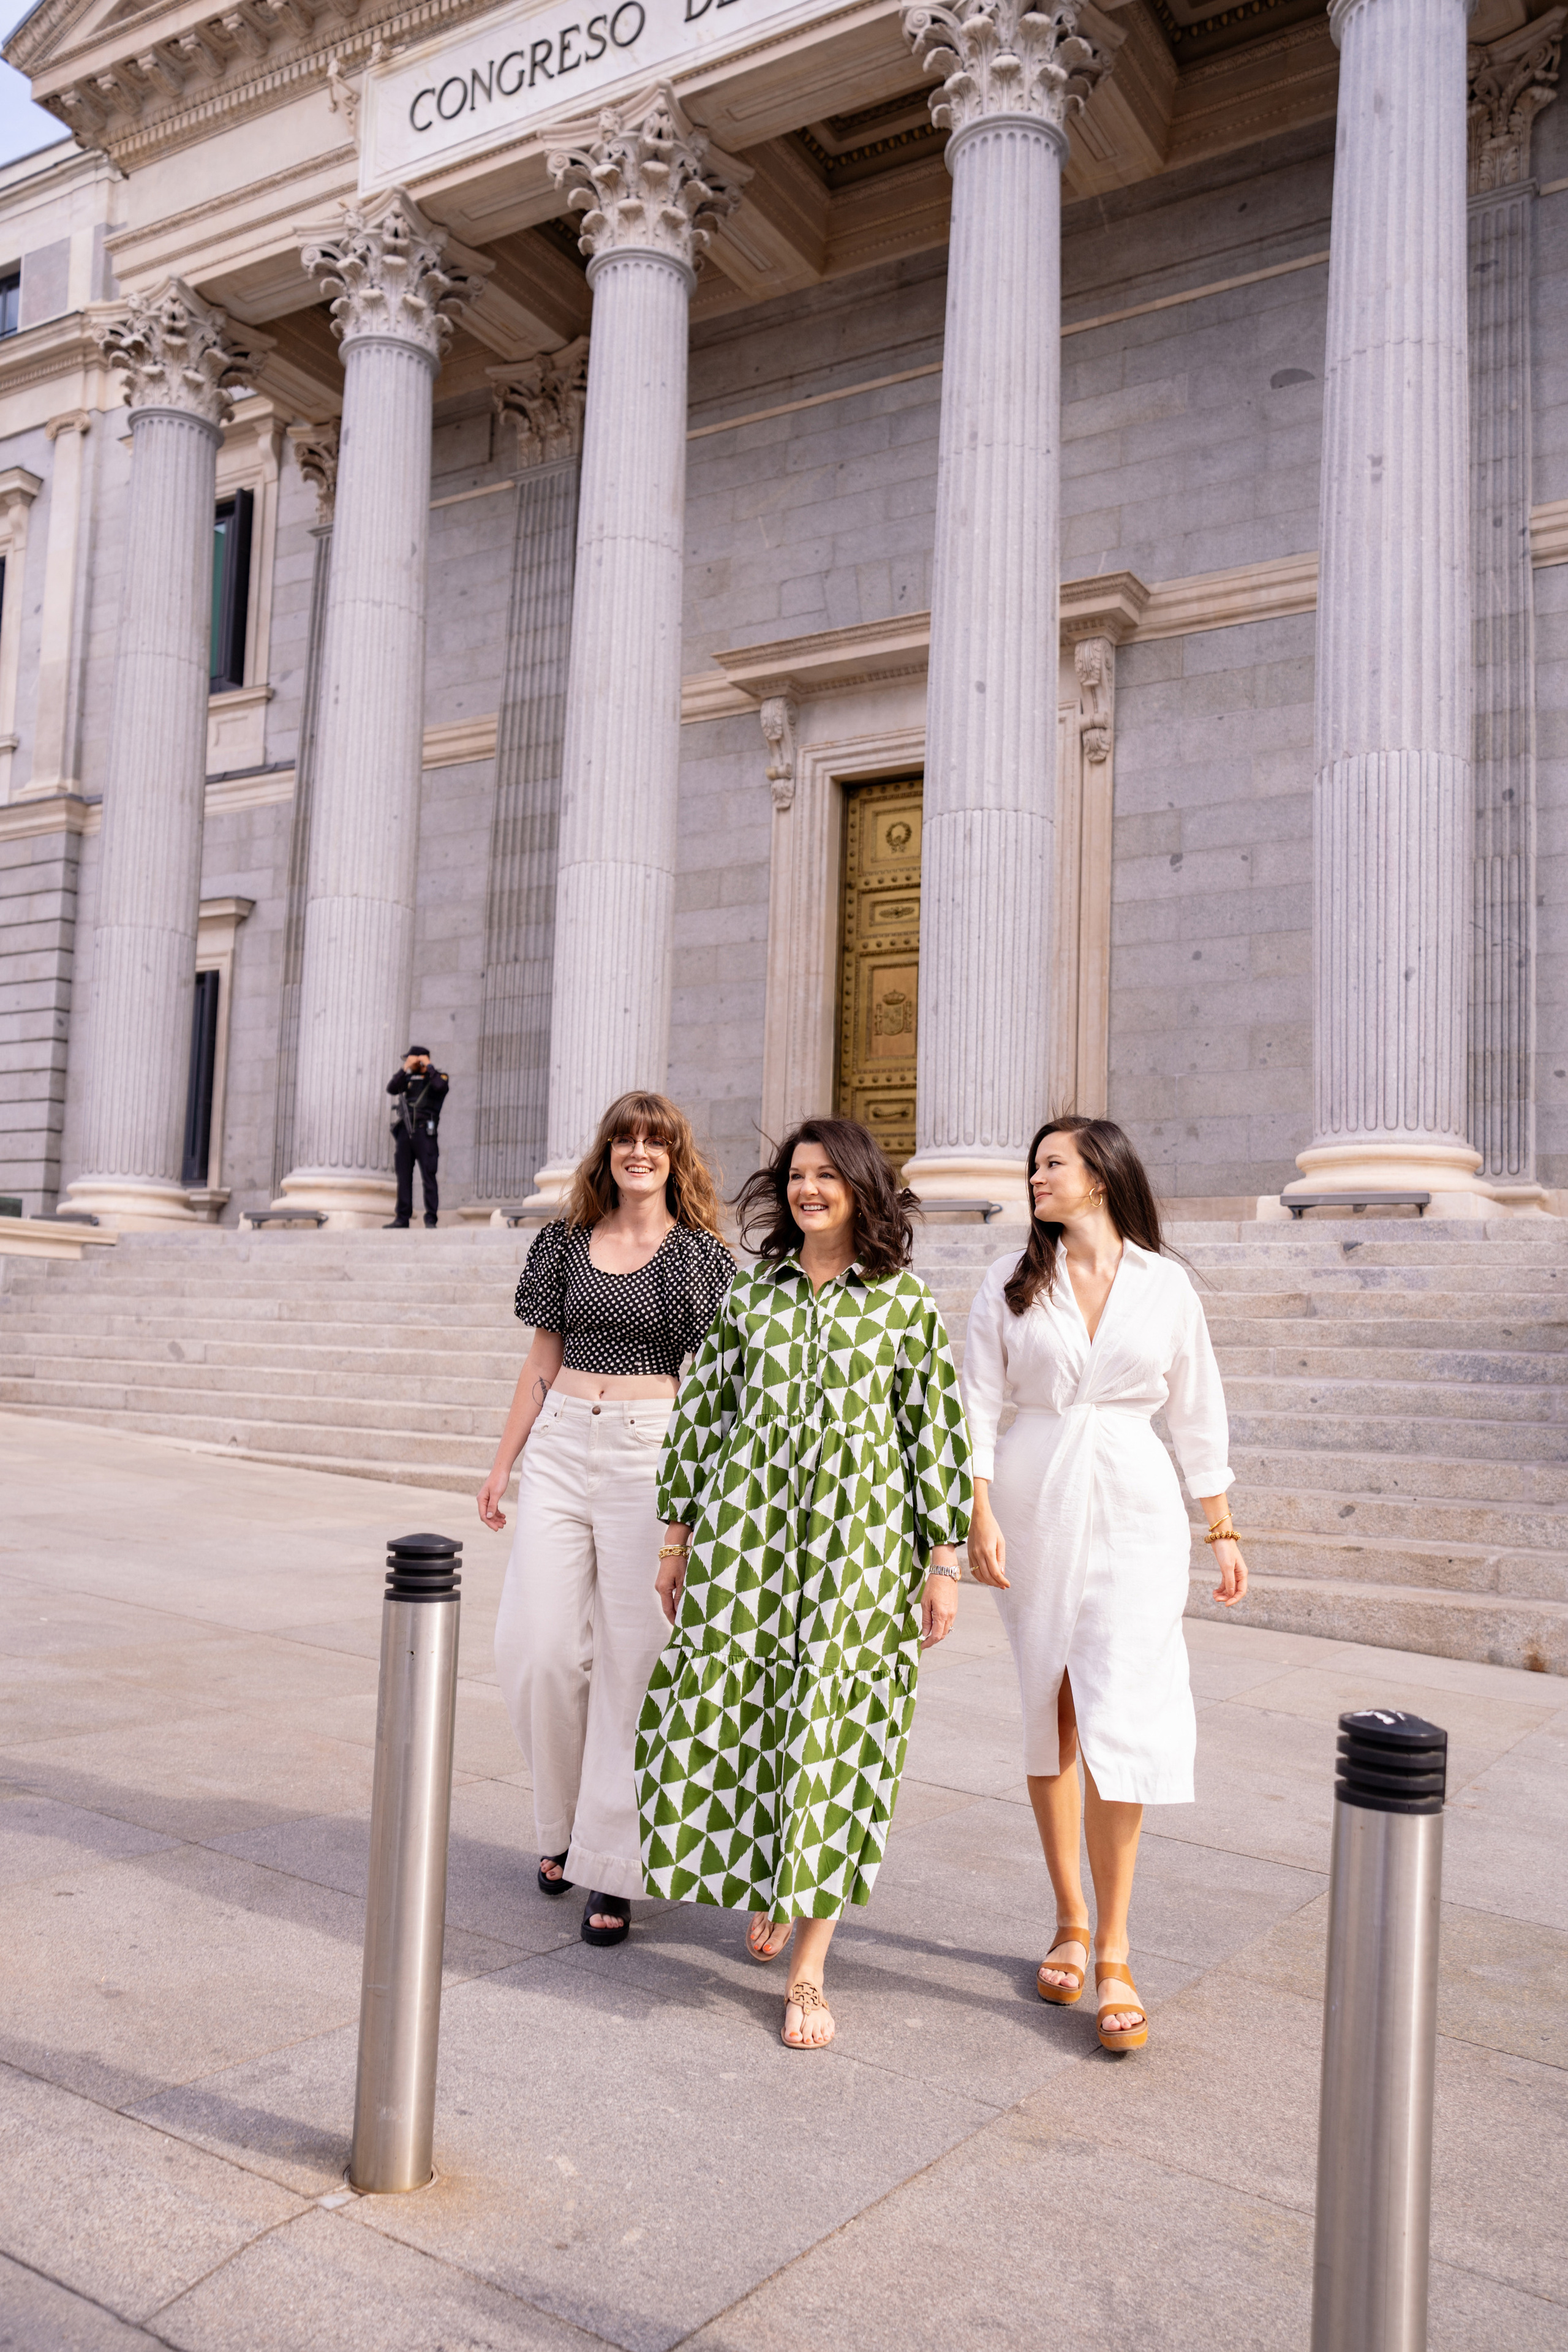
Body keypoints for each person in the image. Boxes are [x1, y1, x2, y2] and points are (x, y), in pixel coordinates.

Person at [638, 1117, 973, 2050]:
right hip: (749, 1549)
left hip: (859, 1555)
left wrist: (942, 1564)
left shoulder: (903, 1305)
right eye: (795, 1175)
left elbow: (936, 1440)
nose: (808, 1189)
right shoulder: (751, 1300)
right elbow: (702, 1422)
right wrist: (676, 1541)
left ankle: (811, 1968)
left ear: (862, 1187)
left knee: (836, 1734)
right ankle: (771, 1882)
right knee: (744, 1716)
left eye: (827, 1175)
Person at [962, 1115, 1246, 2054]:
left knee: (1120, 1706)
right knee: (1057, 1707)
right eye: (1034, 1165)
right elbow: (971, 1405)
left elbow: (1199, 1406)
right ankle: (1069, 1919)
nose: (1037, 1177)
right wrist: (979, 1513)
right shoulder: (1011, 1283)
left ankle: (1117, 1947)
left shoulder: (1166, 1288)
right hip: (1037, 1500)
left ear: (1101, 1176)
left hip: (1136, 1507)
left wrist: (1222, 1525)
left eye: (1053, 1164)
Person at [480, 1093, 733, 1949]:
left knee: (635, 1660)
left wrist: (693, 1505)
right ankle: (558, 1826)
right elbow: (541, 1357)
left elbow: (712, 1383)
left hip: (648, 1450)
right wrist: (502, 1462)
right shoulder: (562, 1243)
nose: (637, 1151)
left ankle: (610, 1866)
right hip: (558, 1446)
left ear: (675, 1157)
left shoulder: (696, 1257)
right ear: (607, 1152)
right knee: (535, 1649)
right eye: (625, 1138)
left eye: (654, 1141)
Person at [386, 1047, 449, 1229]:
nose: (409, 1063)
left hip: (425, 1133)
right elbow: (392, 1088)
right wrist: (405, 1069)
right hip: (406, 1132)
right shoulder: (407, 1079)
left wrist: (427, 1065)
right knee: (404, 1176)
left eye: (412, 1060)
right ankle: (402, 1217)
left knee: (428, 1175)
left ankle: (431, 1218)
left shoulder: (438, 1077)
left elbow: (441, 1087)